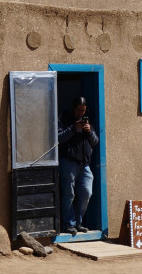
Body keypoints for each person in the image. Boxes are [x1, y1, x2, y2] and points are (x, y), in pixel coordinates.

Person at [58, 96, 98, 235]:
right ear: (73, 108)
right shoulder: (64, 119)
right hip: (68, 162)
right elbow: (58, 138)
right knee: (68, 193)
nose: (81, 113)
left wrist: (89, 132)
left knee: (86, 192)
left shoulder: (86, 122)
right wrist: (73, 129)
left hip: (84, 164)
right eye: (78, 110)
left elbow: (95, 142)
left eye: (83, 111)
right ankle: (69, 224)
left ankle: (78, 222)